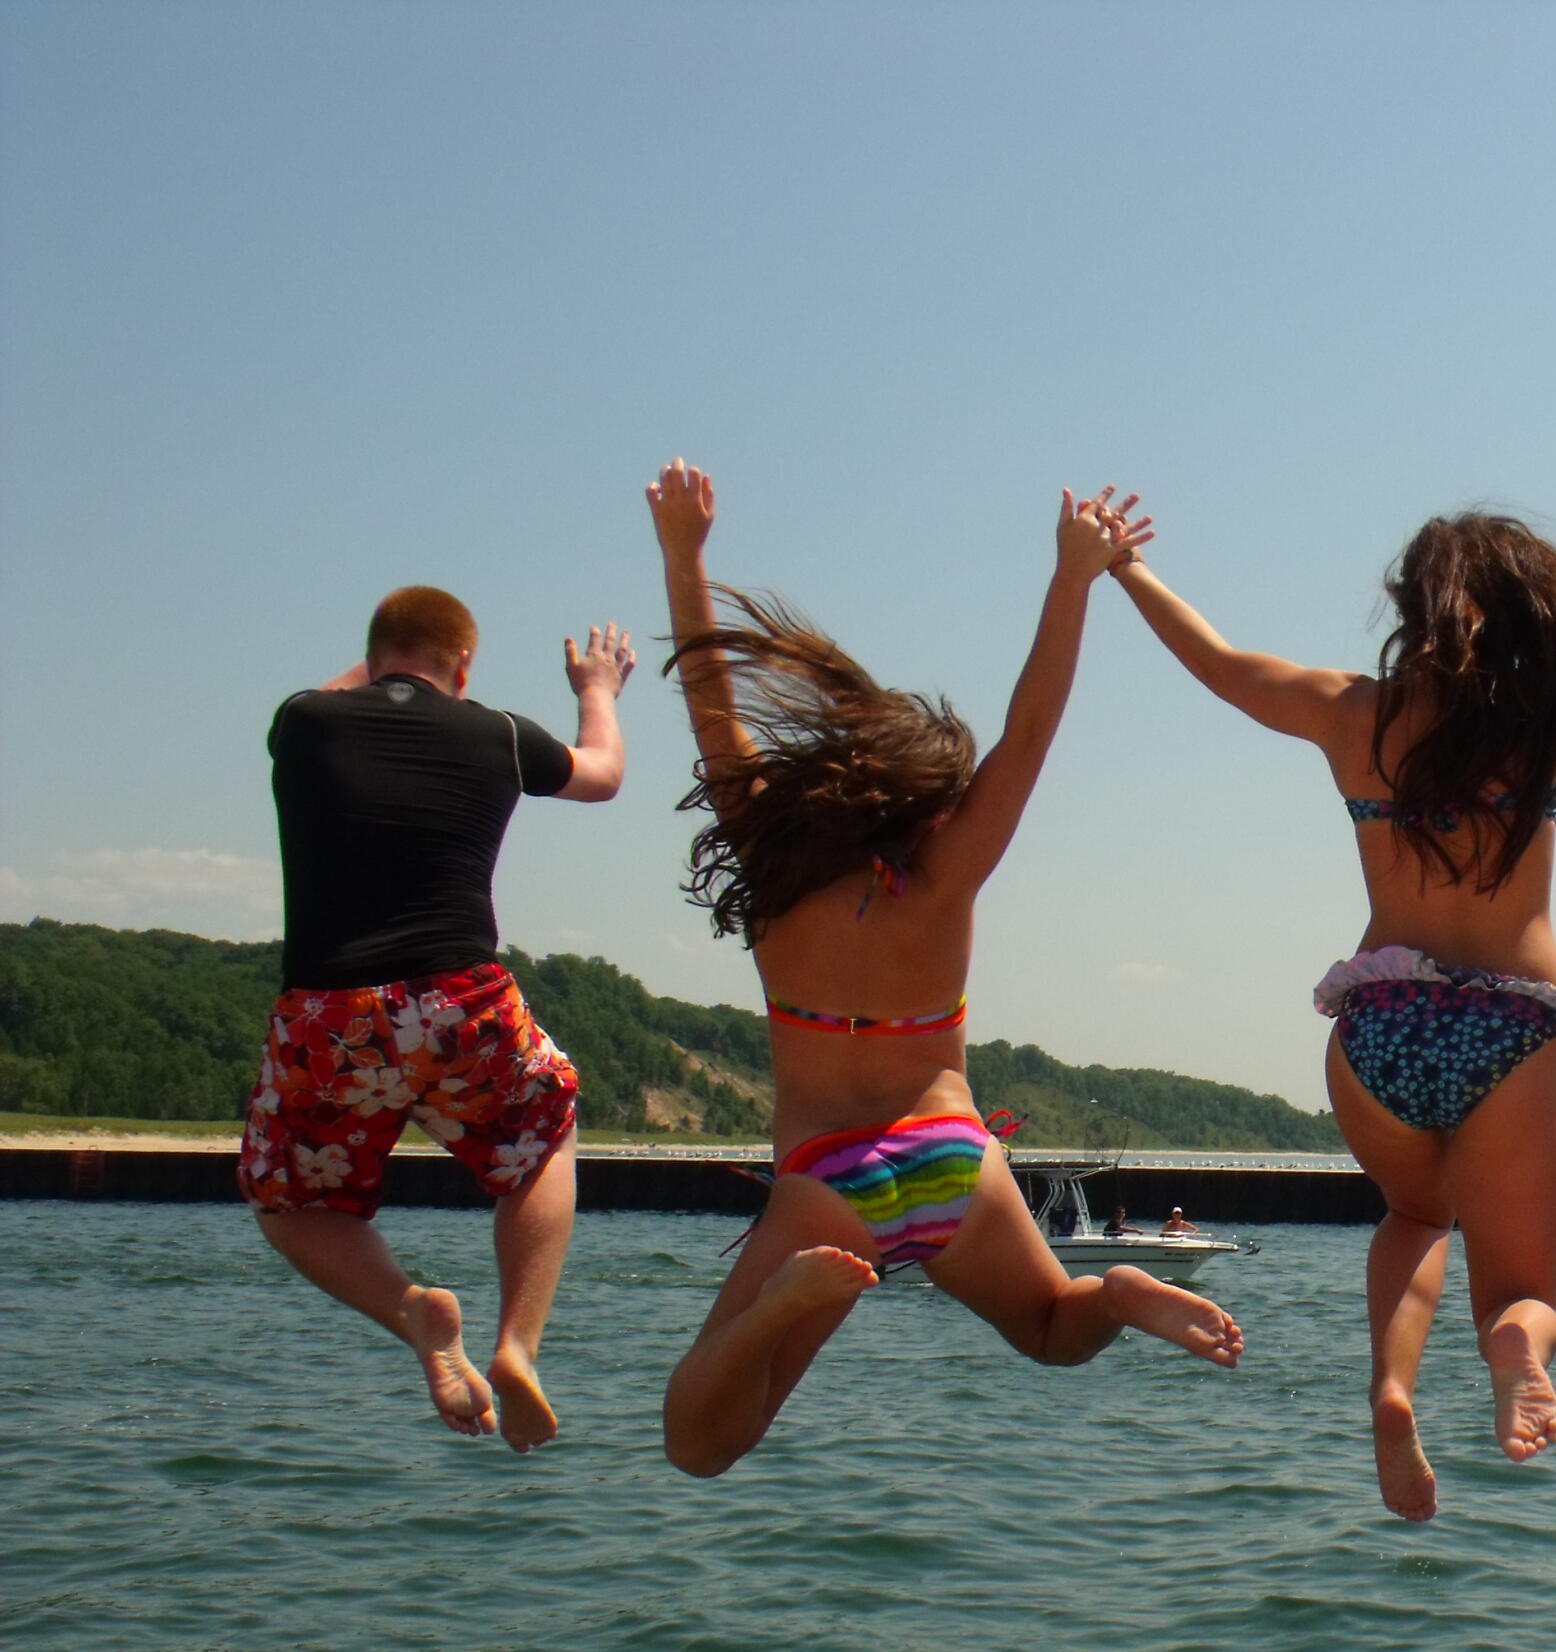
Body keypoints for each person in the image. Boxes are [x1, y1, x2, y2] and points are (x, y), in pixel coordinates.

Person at [1107, 484, 1556, 1519]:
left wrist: (1125, 568)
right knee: (1522, 1292)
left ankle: (1392, 1389)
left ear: (1411, 609)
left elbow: (1218, 667)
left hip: (1382, 1023)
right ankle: (1512, 1344)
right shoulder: (1551, 717)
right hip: (1512, 1027)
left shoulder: (1351, 713)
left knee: (1417, 1214)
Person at [645, 461, 1242, 1478]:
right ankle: (1122, 1289)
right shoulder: (950, 875)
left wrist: (684, 556)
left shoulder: (777, 869)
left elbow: (711, 703)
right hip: (954, 1158)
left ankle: (776, 1310)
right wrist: (1071, 578)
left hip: (829, 1182)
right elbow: (1032, 731)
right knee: (1056, 1327)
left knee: (704, 1444)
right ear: (928, 799)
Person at [239, 585, 634, 1452]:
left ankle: (414, 1313)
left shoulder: (304, 722)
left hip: (329, 1014)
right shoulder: (493, 730)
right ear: (466, 665)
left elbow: (347, 686)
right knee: (544, 1138)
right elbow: (602, 776)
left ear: (372, 656)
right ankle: (518, 1346)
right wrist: (596, 688)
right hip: (461, 1004)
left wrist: (381, 661)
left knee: (289, 1201)